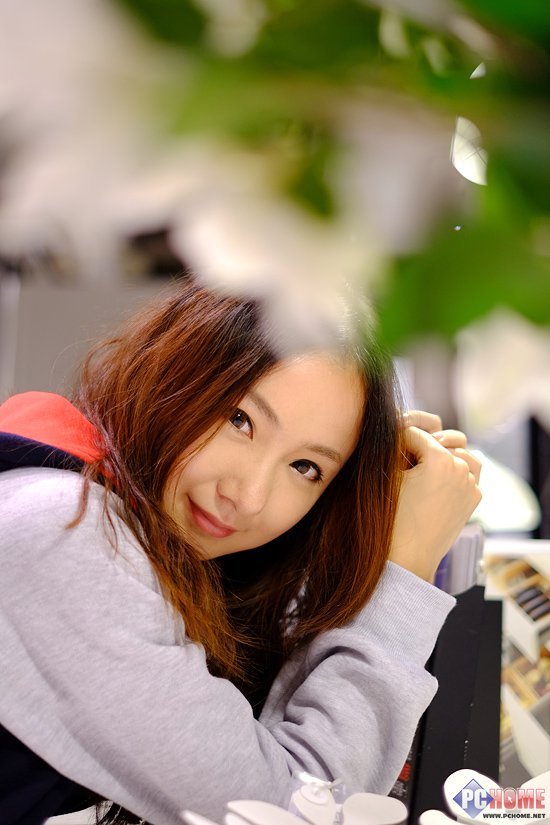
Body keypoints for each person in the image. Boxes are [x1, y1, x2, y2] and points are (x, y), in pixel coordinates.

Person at [0, 277, 481, 825]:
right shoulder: (68, 535)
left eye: (306, 467)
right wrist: (404, 574)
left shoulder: (101, 507)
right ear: (173, 367)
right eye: (240, 420)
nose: (248, 497)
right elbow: (294, 813)